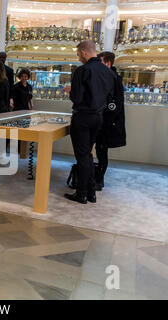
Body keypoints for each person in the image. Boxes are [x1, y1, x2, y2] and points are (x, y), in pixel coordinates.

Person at [63, 40, 115, 204]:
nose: (78, 58)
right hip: (98, 118)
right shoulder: (108, 72)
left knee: (83, 156)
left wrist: (69, 92)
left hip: (83, 118)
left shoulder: (82, 70)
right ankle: (91, 192)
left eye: (78, 55)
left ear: (84, 52)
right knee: (88, 154)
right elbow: (109, 96)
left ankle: (81, 194)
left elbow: (76, 98)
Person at [95, 51, 126, 191]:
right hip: (103, 122)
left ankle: (99, 180)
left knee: (102, 152)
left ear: (108, 63)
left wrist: (103, 121)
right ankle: (97, 178)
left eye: (100, 62)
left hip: (108, 124)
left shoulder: (114, 79)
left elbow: (115, 105)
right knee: (100, 150)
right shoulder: (107, 77)